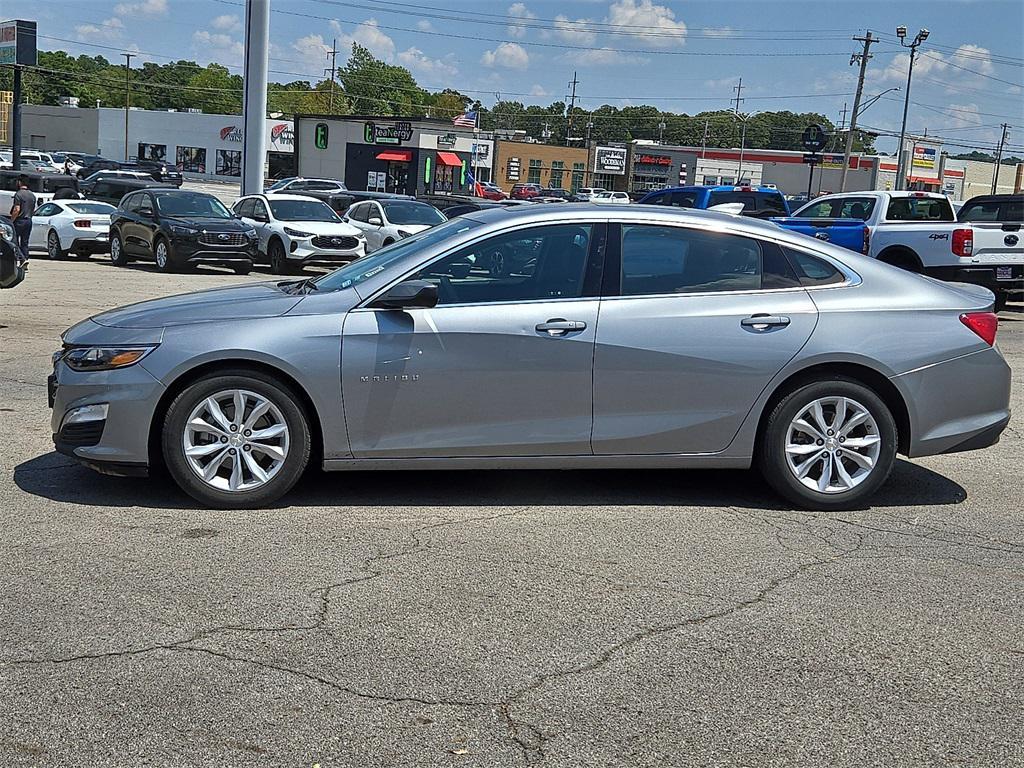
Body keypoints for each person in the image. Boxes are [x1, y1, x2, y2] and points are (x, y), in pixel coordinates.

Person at [9, 175, 36, 263]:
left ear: (20, 182)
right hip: (29, 220)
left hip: (19, 221)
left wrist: (11, 221)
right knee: (25, 242)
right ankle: (25, 258)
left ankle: (21, 258)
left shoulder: (18, 194)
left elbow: (16, 209)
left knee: (14, 241)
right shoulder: (32, 195)